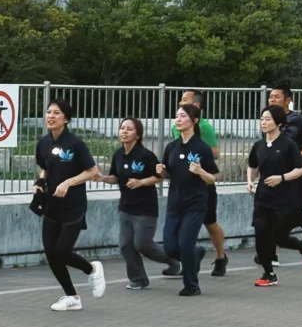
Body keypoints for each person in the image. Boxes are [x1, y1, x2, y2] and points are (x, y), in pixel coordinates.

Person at [34, 99, 105, 312]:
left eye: (56, 113)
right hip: (51, 206)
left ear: (66, 119)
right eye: (48, 112)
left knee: (62, 251)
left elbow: (92, 171)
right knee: (51, 254)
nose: (51, 116)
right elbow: (44, 168)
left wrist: (68, 182)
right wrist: (39, 183)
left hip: (73, 207)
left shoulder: (75, 143)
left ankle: (92, 269)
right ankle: (71, 296)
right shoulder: (44, 143)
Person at [97, 117, 178, 289]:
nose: (124, 132)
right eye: (122, 128)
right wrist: (103, 178)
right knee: (126, 245)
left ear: (138, 134)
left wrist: (141, 182)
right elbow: (116, 177)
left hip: (145, 208)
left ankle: (174, 260)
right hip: (125, 207)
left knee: (142, 244)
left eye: (129, 129)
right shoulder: (118, 154)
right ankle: (138, 279)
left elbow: (159, 177)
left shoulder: (145, 155)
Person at [247, 105, 302, 286]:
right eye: (262, 119)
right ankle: (269, 274)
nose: (264, 122)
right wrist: (250, 181)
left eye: (268, 119)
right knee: (261, 234)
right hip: (262, 198)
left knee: (279, 238)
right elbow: (252, 165)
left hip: (284, 200)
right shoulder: (259, 145)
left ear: (278, 122)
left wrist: (282, 178)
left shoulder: (288, 145)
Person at [157, 103, 219, 296]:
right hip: (175, 203)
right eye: (177, 116)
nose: (178, 119)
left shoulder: (202, 148)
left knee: (184, 244)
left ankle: (192, 285)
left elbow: (212, 178)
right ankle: (196, 253)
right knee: (170, 246)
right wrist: (162, 172)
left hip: (196, 203)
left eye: (183, 116)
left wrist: (201, 171)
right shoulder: (171, 147)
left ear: (194, 121)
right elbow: (168, 172)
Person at [268, 85, 302, 261]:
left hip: (295, 177)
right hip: (275, 176)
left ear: (288, 100)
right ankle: (269, 255)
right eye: (270, 97)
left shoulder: (297, 120)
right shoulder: (269, 121)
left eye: (276, 96)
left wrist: (297, 159)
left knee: (293, 214)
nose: (272, 100)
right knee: (270, 215)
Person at [178, 89, 227, 277]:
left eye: (184, 100)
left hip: (203, 183)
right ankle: (186, 259)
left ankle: (221, 256)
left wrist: (197, 154)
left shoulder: (204, 127)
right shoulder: (177, 125)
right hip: (184, 185)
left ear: (196, 106)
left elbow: (214, 152)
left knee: (210, 222)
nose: (180, 103)